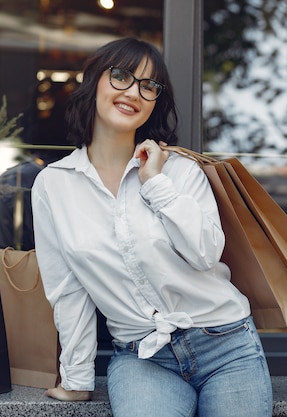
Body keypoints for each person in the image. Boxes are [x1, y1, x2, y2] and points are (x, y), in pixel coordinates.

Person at [31, 37, 273, 417]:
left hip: (225, 345)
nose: (134, 92)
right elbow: (68, 288)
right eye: (122, 76)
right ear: (94, 80)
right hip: (143, 358)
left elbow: (205, 254)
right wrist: (76, 379)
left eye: (148, 85)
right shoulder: (53, 185)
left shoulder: (180, 172)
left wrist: (156, 183)